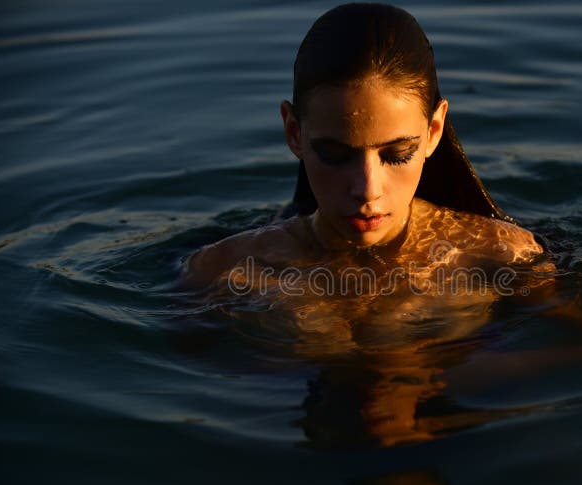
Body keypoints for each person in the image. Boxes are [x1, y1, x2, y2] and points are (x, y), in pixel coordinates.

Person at [180, 3, 558, 354]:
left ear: (434, 131)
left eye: (397, 154)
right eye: (334, 154)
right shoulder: (224, 270)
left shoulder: (502, 256)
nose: (367, 189)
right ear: (294, 133)